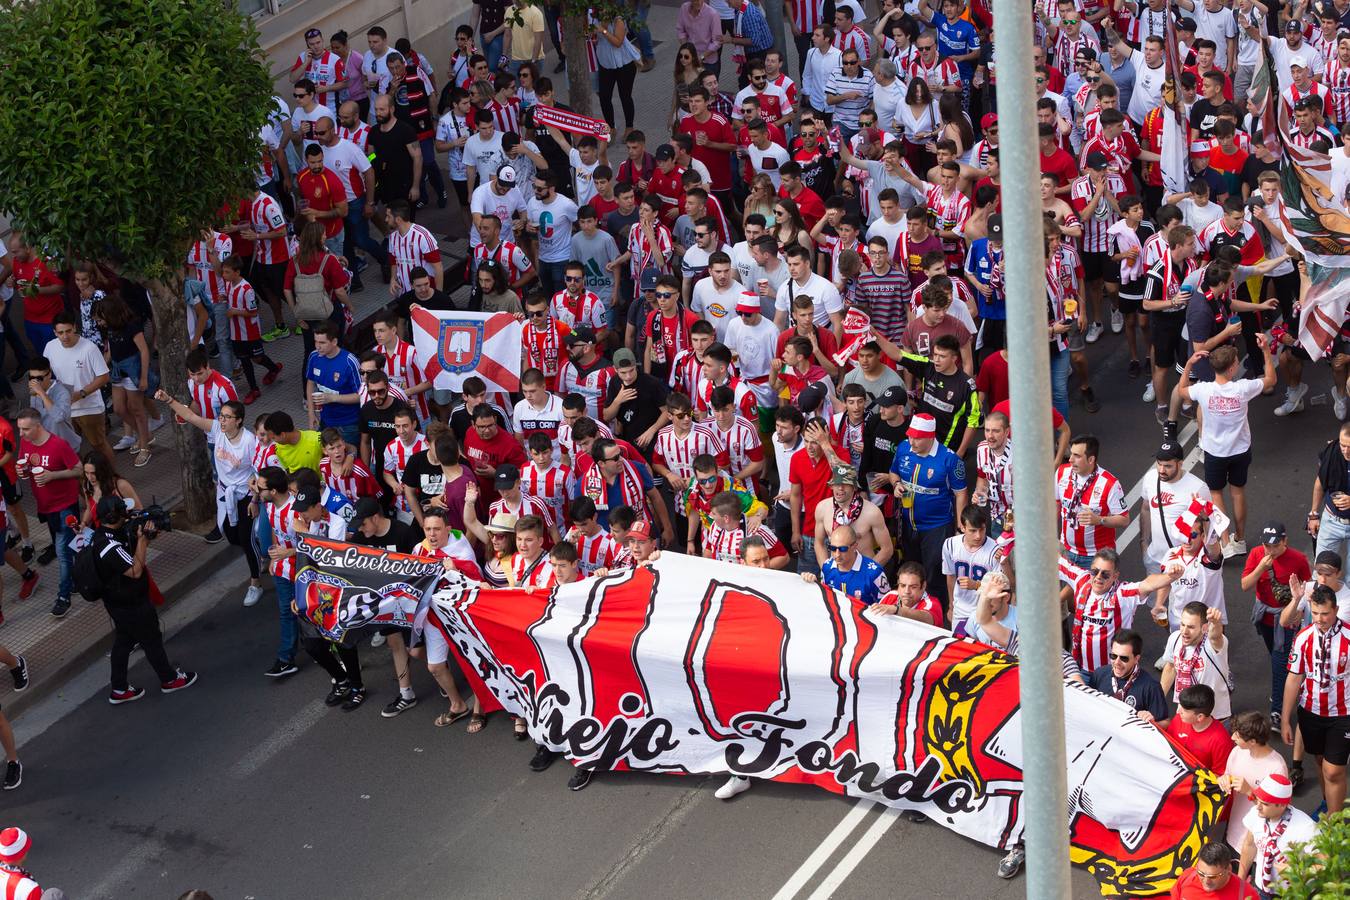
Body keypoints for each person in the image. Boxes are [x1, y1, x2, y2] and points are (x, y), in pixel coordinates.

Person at [92, 496, 197, 704]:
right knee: (151, 639)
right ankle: (169, 679)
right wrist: (143, 541)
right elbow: (135, 570)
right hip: (131, 603)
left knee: (124, 641)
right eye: (124, 511)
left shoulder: (102, 534)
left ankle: (119, 689)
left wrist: (143, 533)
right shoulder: (110, 547)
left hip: (118, 603)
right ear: (117, 515)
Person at [881, 413, 967, 608]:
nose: (912, 441)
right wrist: (895, 484)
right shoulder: (904, 448)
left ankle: (937, 614)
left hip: (937, 527)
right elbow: (893, 472)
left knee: (934, 574)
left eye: (917, 437)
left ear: (930, 437)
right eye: (911, 436)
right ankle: (910, 609)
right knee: (911, 571)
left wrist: (960, 526)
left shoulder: (949, 459)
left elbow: (961, 493)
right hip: (908, 523)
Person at [1282, 586, 1350, 814]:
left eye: (1325, 613)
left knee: (1333, 770)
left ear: (1336, 610)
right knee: (1321, 762)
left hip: (1343, 714)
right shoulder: (1303, 638)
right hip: (1310, 711)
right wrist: (1284, 720)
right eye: (1316, 613)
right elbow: (1293, 678)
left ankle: (1334, 821)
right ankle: (1329, 804)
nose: (1320, 619)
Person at [15, 409, 82, 619]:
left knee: (62, 553)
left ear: (38, 426)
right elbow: (25, 466)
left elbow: (79, 469)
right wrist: (22, 472)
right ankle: (79, 579)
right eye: (19, 429)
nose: (21, 434)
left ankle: (64, 597)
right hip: (45, 506)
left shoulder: (58, 445)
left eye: (25, 429)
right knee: (68, 547)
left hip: (65, 506)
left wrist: (53, 475)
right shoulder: (26, 443)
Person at [1244, 520, 1311, 729]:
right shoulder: (1256, 554)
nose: (1271, 550)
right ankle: (1283, 690)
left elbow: (1307, 587)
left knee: (1279, 661)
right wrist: (1260, 568)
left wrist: (1299, 611)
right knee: (1275, 654)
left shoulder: (1298, 559)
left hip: (1286, 617)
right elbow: (1245, 584)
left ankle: (1277, 710)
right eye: (1267, 546)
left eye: (1275, 546)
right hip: (1264, 616)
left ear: (1285, 541)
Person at [44, 313, 113, 465]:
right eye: (60, 333)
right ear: (55, 332)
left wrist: (80, 394)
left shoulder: (89, 348)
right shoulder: (50, 347)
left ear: (75, 327)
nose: (65, 336)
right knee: (69, 448)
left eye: (68, 331)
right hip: (65, 408)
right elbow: (45, 373)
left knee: (99, 445)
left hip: (90, 408)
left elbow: (104, 377)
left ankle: (112, 479)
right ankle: (82, 481)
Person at [1237, 774, 1317, 898]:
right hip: (1261, 889)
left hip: (1292, 894)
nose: (1257, 806)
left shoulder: (1306, 827)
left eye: (1265, 803)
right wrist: (1240, 882)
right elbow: (1250, 845)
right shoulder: (1256, 814)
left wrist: (1298, 873)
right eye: (1257, 799)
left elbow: (1324, 862)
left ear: (1282, 805)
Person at [1221, 712, 1289, 855]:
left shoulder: (1276, 767)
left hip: (1257, 844)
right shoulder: (1237, 752)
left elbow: (1279, 811)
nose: (1232, 737)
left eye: (1237, 736)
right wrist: (1223, 780)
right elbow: (1226, 775)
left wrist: (1250, 792)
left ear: (1252, 741)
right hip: (1232, 832)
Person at [1085, 630, 1171, 723]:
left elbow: (1165, 722)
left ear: (1136, 659)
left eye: (1124, 658)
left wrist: (1151, 721)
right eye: (1113, 656)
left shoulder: (1151, 687)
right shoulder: (1100, 674)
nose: (1117, 662)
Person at [305, 322, 362, 446]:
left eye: (322, 343)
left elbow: (361, 395)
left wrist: (332, 398)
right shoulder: (314, 357)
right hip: (325, 421)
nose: (318, 346)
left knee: (347, 458)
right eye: (316, 342)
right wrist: (311, 413)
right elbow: (310, 383)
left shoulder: (349, 362)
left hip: (349, 424)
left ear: (334, 342)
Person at [1170, 842, 1258, 899]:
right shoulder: (1187, 877)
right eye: (1201, 873)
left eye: (1212, 876)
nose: (1206, 881)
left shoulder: (1246, 894)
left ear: (1228, 870)